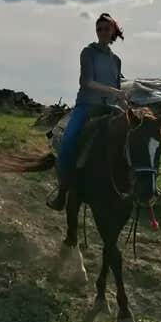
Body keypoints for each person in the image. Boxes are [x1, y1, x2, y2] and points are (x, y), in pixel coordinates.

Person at [47, 13, 127, 211]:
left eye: (106, 29)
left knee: (134, 138)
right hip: (87, 106)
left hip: (110, 108)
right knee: (68, 140)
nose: (102, 32)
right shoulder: (88, 52)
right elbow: (86, 82)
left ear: (113, 31)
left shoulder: (117, 60)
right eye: (99, 29)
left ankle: (134, 188)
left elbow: (118, 89)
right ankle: (62, 191)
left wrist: (126, 105)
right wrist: (112, 91)